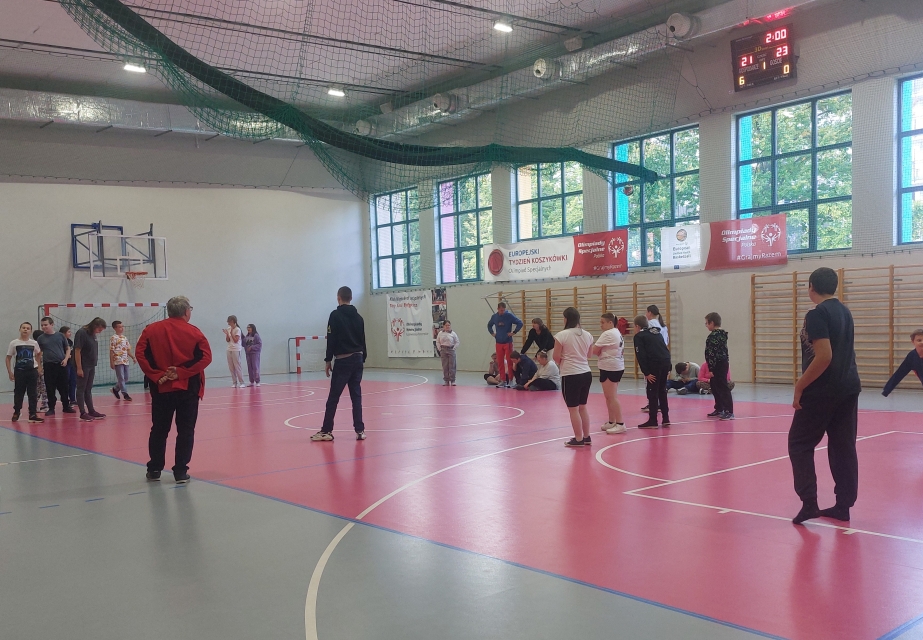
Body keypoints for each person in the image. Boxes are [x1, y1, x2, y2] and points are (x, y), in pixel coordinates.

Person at [789, 267, 861, 525]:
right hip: (848, 387)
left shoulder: (817, 314)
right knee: (843, 446)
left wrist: (800, 386)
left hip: (822, 390)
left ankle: (809, 502)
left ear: (811, 286)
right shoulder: (845, 312)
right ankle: (843, 505)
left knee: (799, 443)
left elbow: (824, 356)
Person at [136, 296, 212, 483]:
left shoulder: (150, 330)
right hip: (188, 389)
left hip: (161, 388)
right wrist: (181, 372)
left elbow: (141, 354)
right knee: (186, 430)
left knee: (159, 429)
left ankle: (154, 469)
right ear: (186, 311)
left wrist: (156, 375)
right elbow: (205, 357)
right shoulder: (195, 332)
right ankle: (180, 472)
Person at [312, 286, 367, 442]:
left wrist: (328, 360)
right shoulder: (359, 318)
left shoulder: (335, 315)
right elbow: (363, 340)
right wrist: (362, 358)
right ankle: (360, 430)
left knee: (333, 397)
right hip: (358, 359)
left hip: (343, 361)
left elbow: (331, 339)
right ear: (351, 298)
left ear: (338, 298)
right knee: (356, 396)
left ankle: (326, 431)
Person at [553, 307, 595, 447]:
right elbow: (589, 355)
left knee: (573, 409)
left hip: (571, 374)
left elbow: (556, 357)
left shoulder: (562, 335)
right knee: (583, 407)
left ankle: (578, 439)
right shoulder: (588, 335)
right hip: (586, 373)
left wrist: (566, 361)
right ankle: (587, 436)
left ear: (566, 319)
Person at [633, 315, 671, 429]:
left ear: (637, 326)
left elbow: (641, 356)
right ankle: (666, 418)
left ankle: (653, 420)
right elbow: (665, 349)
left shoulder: (639, 336)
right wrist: (669, 367)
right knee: (662, 391)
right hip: (665, 363)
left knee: (652, 392)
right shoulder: (656, 333)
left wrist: (646, 373)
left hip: (655, 365)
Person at [593, 313, 626, 434]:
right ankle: (612, 421)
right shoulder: (616, 332)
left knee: (612, 397)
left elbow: (594, 350)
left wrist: (599, 351)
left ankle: (620, 423)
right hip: (613, 366)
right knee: (608, 396)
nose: (601, 325)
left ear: (610, 322)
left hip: (610, 367)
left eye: (603, 322)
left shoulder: (608, 334)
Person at [6, 322, 43, 423]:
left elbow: (39, 353)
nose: (25, 329)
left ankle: (32, 414)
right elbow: (8, 358)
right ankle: (17, 411)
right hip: (20, 371)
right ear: (20, 329)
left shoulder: (34, 343)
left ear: (30, 331)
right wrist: (10, 372)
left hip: (32, 371)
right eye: (23, 328)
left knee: (33, 393)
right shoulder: (14, 343)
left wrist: (39, 367)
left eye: (28, 328)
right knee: (19, 392)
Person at [37, 316, 74, 416]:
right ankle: (51, 408)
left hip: (61, 365)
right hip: (48, 365)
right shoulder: (40, 338)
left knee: (64, 387)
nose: (44, 327)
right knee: (50, 387)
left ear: (52, 325)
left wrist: (66, 359)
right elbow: (38, 353)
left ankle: (66, 406)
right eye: (42, 325)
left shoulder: (60, 336)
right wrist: (39, 366)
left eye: (46, 325)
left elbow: (67, 348)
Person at [74, 318, 108, 422]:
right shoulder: (81, 333)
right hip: (83, 365)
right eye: (99, 329)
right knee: (81, 388)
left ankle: (91, 410)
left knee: (88, 389)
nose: (100, 332)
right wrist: (79, 368)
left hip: (91, 365)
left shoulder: (92, 334)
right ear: (94, 326)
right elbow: (77, 350)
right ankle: (82, 412)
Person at [704, 313, 734, 420]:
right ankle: (719, 407)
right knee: (715, 386)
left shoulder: (713, 336)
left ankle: (729, 411)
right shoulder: (722, 334)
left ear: (712, 323)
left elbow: (711, 353)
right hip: (723, 362)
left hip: (717, 364)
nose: (706, 325)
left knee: (722, 387)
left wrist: (711, 368)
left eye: (707, 323)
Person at [487, 302, 523, 388]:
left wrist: (514, 332)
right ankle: (503, 380)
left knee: (509, 361)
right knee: (500, 361)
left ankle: (510, 380)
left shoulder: (509, 315)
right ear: (497, 309)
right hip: (499, 342)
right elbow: (489, 325)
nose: (502, 312)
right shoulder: (494, 316)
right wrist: (492, 333)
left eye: (503, 310)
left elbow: (520, 323)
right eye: (500, 310)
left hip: (507, 342)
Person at [882, 329, 923, 396]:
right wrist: (887, 390)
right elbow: (900, 373)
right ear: (913, 342)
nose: (922, 342)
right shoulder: (912, 357)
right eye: (919, 340)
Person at [109, 320, 136, 401]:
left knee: (126, 378)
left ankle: (115, 389)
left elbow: (127, 350)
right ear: (115, 328)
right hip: (118, 361)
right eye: (120, 327)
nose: (122, 328)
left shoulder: (124, 338)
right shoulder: (113, 338)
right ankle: (125, 394)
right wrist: (111, 362)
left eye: (122, 326)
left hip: (125, 360)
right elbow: (111, 351)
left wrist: (133, 357)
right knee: (121, 377)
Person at [223, 315, 245, 388]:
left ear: (232, 321)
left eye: (229, 321)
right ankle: (234, 382)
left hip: (236, 349)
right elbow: (228, 340)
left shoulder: (237, 329)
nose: (228, 323)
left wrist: (232, 332)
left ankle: (242, 382)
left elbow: (236, 340)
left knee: (237, 366)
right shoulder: (228, 328)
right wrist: (227, 334)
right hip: (229, 349)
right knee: (231, 367)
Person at [436, 320, 459, 386]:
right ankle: (446, 380)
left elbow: (457, 342)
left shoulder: (453, 333)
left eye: (449, 325)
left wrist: (453, 348)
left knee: (452, 366)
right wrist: (440, 349)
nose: (448, 326)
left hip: (451, 350)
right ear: (443, 326)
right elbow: (437, 342)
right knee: (445, 366)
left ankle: (452, 380)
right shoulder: (440, 333)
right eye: (446, 325)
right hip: (443, 350)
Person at [31, 329, 49, 413]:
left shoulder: (41, 347)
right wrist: (39, 368)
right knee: (42, 388)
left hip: (41, 370)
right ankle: (44, 405)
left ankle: (34, 405)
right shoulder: (37, 347)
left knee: (39, 388)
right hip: (39, 370)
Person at [60, 326, 77, 404]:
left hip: (71, 363)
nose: (70, 333)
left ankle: (72, 399)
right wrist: (66, 356)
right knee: (65, 382)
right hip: (64, 364)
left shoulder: (70, 342)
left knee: (73, 381)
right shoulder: (60, 342)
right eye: (68, 332)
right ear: (63, 333)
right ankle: (65, 399)